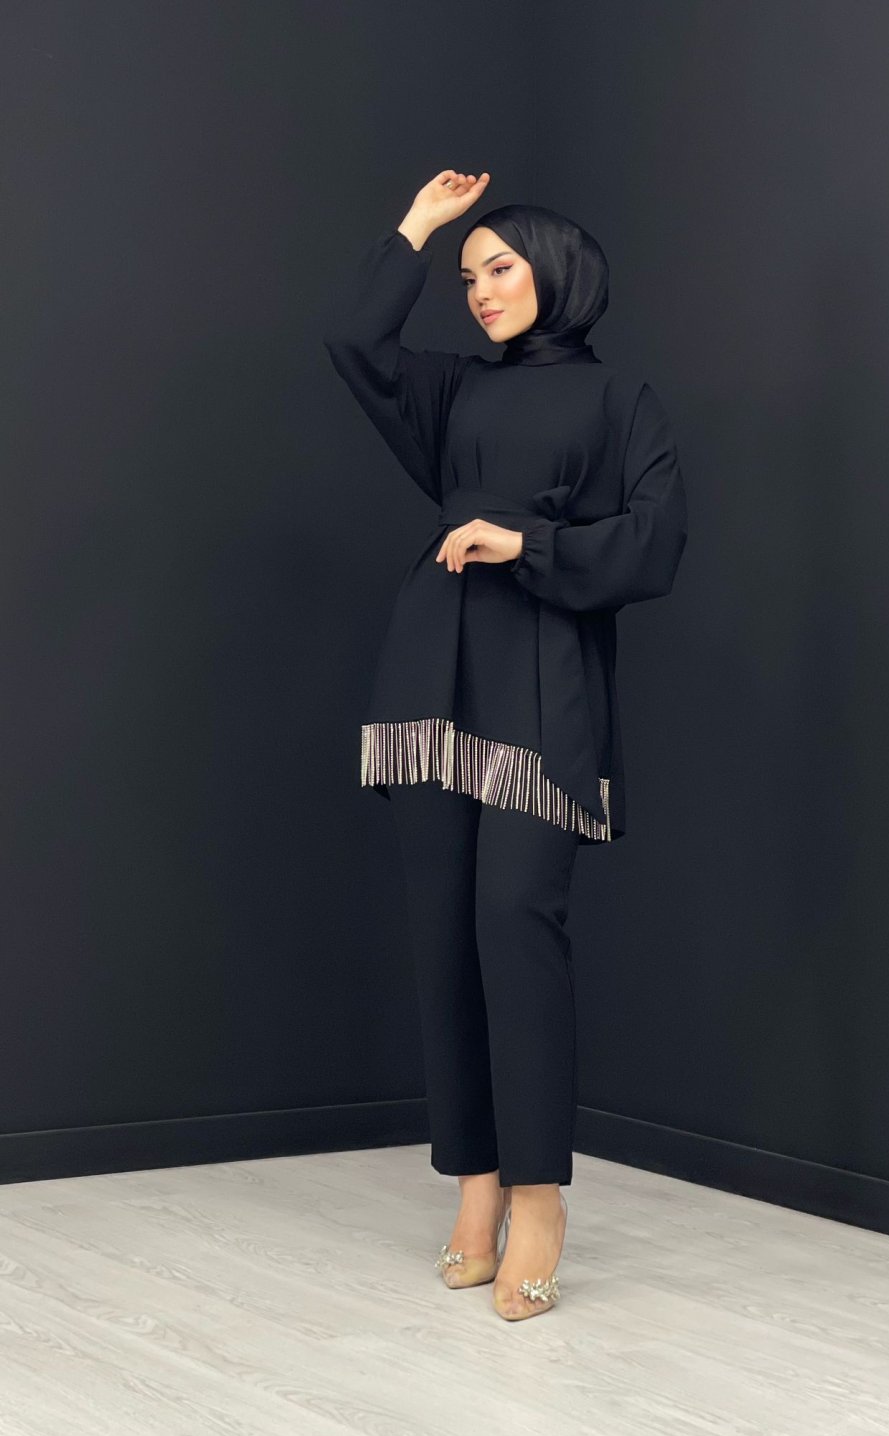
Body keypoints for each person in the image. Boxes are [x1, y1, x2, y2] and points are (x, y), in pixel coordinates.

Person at [323, 170, 688, 1320]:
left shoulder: (620, 399)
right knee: (443, 935)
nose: (478, 290)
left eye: (498, 267)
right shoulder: (455, 393)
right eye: (467, 275)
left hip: (542, 677)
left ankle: (538, 1192)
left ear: (556, 274)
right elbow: (353, 339)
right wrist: (418, 226)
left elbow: (654, 544)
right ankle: (473, 1182)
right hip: (431, 674)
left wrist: (523, 541)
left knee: (513, 922)